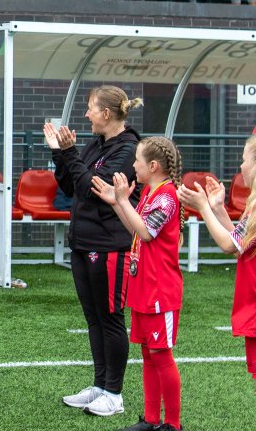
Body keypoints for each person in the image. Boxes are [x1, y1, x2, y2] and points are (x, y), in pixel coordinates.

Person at [178, 132, 256, 431]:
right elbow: (240, 243)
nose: (240, 166)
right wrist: (218, 208)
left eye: (244, 160)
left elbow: (228, 245)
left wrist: (204, 208)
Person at [46, 86, 143, 419]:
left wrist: (71, 154)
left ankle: (114, 393)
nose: (86, 114)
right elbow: (72, 186)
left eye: (90, 108)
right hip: (83, 241)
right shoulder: (95, 144)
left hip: (110, 244)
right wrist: (60, 153)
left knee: (110, 318)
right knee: (94, 318)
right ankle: (100, 385)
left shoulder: (128, 149)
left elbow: (92, 189)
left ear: (106, 113)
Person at [91, 136, 185, 431]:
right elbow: (135, 228)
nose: (133, 166)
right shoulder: (150, 192)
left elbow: (145, 232)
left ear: (153, 166)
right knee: (147, 353)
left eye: (137, 161)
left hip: (160, 290)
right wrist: (117, 203)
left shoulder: (166, 196)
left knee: (160, 355)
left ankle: (172, 424)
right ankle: (151, 419)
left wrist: (122, 200)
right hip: (144, 286)